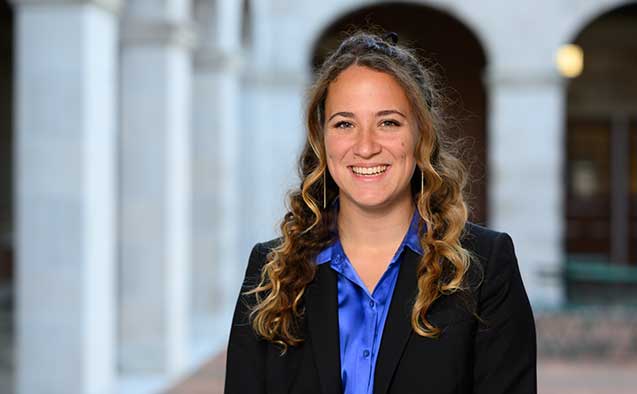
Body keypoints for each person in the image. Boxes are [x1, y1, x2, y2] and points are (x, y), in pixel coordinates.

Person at [224, 31, 536, 394]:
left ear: (421, 135)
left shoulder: (484, 267)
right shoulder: (271, 271)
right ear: (320, 138)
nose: (366, 146)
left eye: (388, 122)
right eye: (344, 124)